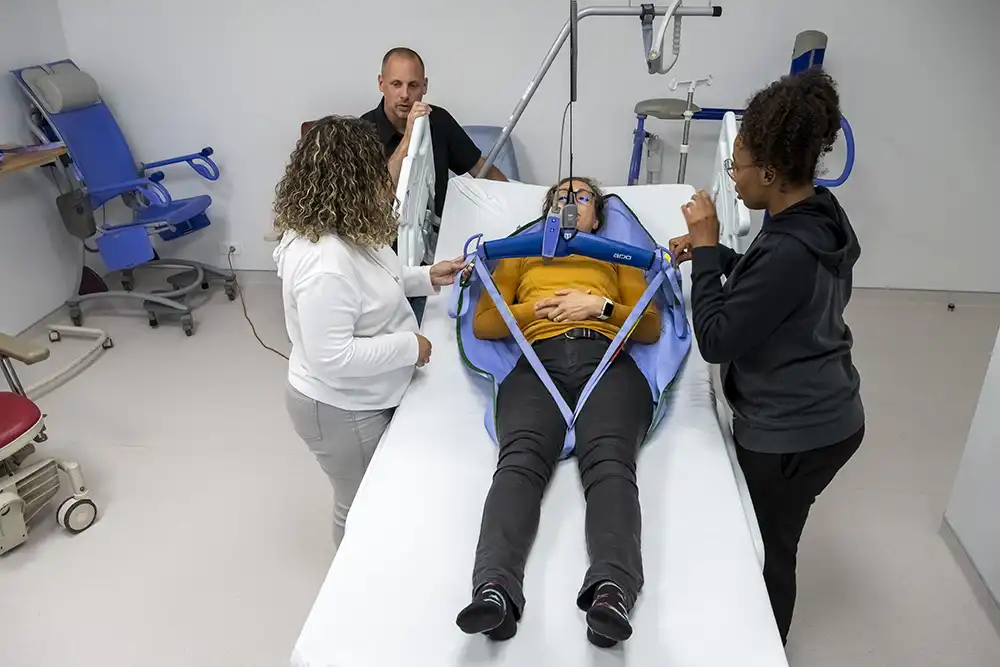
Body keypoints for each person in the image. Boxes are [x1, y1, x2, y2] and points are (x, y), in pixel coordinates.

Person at [670, 69, 864, 645]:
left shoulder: (785, 248)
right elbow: (781, 292)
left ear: (772, 173)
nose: (732, 179)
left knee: (770, 547)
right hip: (834, 410)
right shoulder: (817, 214)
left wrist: (706, 250)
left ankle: (762, 647)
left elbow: (718, 337)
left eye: (737, 167)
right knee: (776, 535)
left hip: (795, 433)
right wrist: (727, 258)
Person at [455, 177, 660, 649]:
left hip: (606, 361)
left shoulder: (616, 255)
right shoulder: (519, 253)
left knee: (609, 465)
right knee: (519, 465)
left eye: (582, 197)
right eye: (560, 197)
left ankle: (612, 593)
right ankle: (495, 591)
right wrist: (537, 310)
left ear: (597, 216)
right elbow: (487, 322)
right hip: (537, 362)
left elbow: (648, 325)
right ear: (548, 210)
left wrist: (599, 305)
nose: (570, 204)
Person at [273, 116, 467, 548]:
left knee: (382, 492)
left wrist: (427, 276)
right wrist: (408, 346)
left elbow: (379, 280)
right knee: (359, 505)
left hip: (365, 394)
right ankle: (350, 602)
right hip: (338, 407)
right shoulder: (325, 263)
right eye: (377, 172)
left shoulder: (348, 226)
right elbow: (332, 357)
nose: (386, 180)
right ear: (352, 182)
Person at [361, 47, 508, 324]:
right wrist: (409, 137)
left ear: (424, 87)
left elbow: (481, 168)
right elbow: (378, 199)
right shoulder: (362, 132)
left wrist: (518, 199)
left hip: (437, 248)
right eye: (396, 84)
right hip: (381, 259)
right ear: (381, 84)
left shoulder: (439, 121)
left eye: (413, 85)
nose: (405, 94)